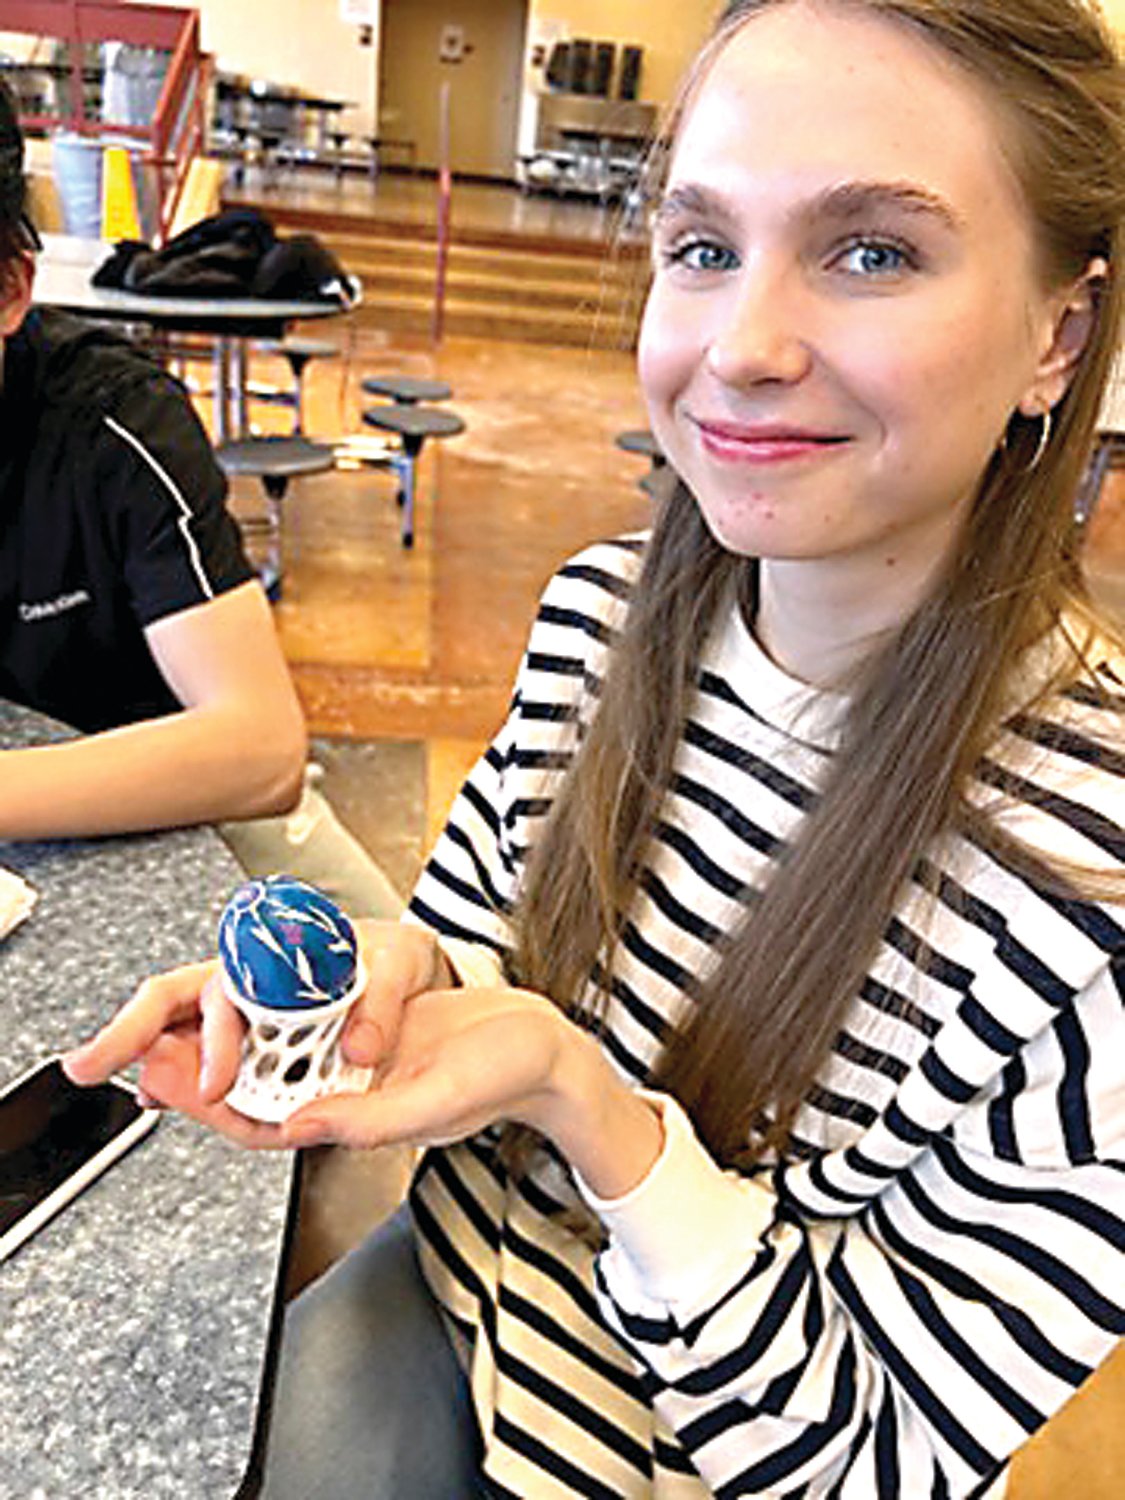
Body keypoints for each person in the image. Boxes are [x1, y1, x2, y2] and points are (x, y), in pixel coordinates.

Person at [66, 0, 1125, 1495]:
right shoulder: (601, 616)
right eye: (702, 247)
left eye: (872, 252)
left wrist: (593, 1109)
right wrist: (380, 989)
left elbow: (868, 1456)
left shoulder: (1087, 888)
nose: (742, 348)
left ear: (1056, 334)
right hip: (447, 1323)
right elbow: (465, 949)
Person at [0, 84, 401, 918]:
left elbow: (259, 751)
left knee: (399, 975)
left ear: (11, 287)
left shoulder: (115, 426)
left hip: (180, 797)